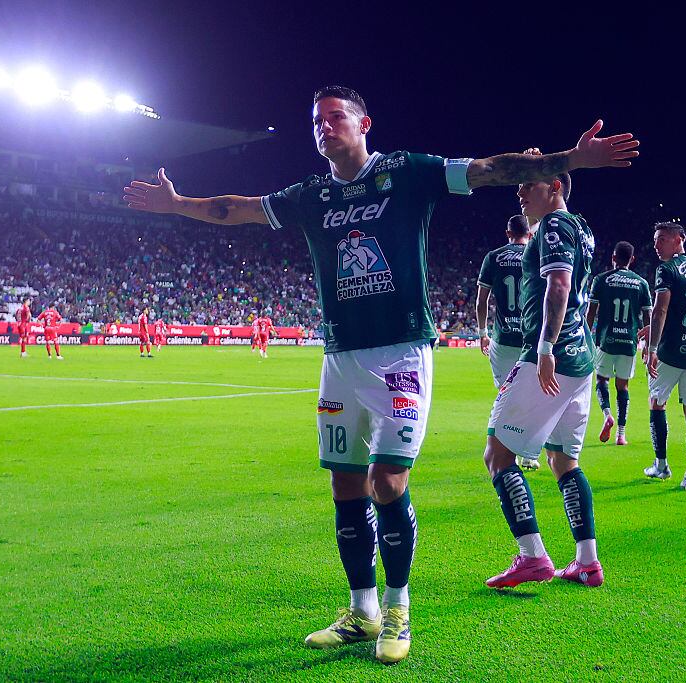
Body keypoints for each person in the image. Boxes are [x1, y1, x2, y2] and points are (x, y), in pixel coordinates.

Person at [124, 85, 638, 664]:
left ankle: (398, 609)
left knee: (387, 481)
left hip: (401, 353)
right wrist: (177, 204)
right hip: (340, 357)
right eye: (316, 120)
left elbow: (492, 169)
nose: (324, 127)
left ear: (364, 123)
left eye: (334, 117)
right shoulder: (312, 195)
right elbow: (237, 208)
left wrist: (570, 160)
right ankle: (361, 610)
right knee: (345, 486)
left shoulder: (407, 173)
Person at [483, 157, 605, 590]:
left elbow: (559, 284)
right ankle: (587, 561)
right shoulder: (581, 227)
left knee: (498, 455)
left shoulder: (554, 225)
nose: (519, 192)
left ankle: (532, 556)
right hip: (582, 357)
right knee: (563, 460)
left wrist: (546, 346)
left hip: (551, 358)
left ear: (555, 186)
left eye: (527, 184)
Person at [642, 223, 686, 491]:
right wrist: (654, 326)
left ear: (679, 239)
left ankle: (661, 466)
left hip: (671, 351)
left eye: (661, 239)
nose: (656, 245)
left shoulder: (667, 269)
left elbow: (661, 309)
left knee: (657, 402)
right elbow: (682, 307)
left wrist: (652, 348)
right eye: (655, 240)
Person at [476, 214, 539, 470]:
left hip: (502, 339)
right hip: (530, 338)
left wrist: (482, 332)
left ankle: (501, 450)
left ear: (508, 233)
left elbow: (481, 300)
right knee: (531, 397)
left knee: (505, 396)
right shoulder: (536, 255)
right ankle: (528, 454)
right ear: (529, 234)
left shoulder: (493, 257)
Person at [586, 242, 652, 445]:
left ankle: (607, 415)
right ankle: (621, 434)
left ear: (613, 258)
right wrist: (648, 345)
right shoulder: (641, 283)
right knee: (623, 387)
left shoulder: (601, 280)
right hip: (629, 342)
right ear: (632, 259)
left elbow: (591, 313)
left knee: (601, 380)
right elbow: (648, 317)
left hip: (606, 341)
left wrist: (585, 340)